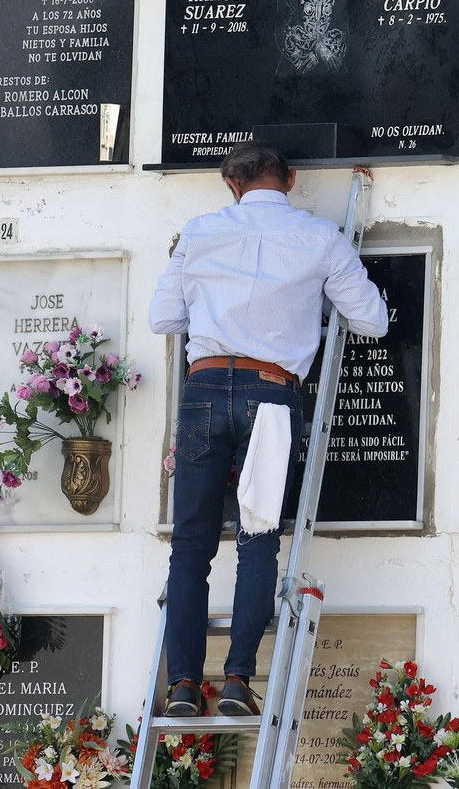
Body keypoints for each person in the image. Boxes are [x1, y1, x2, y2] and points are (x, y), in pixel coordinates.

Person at [149, 142, 387, 717]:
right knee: (257, 541)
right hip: (272, 396)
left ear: (231, 184)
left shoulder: (200, 232)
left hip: (204, 388)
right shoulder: (319, 237)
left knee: (189, 548)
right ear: (291, 179)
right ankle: (235, 682)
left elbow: (163, 318)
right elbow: (372, 321)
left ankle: (182, 685)